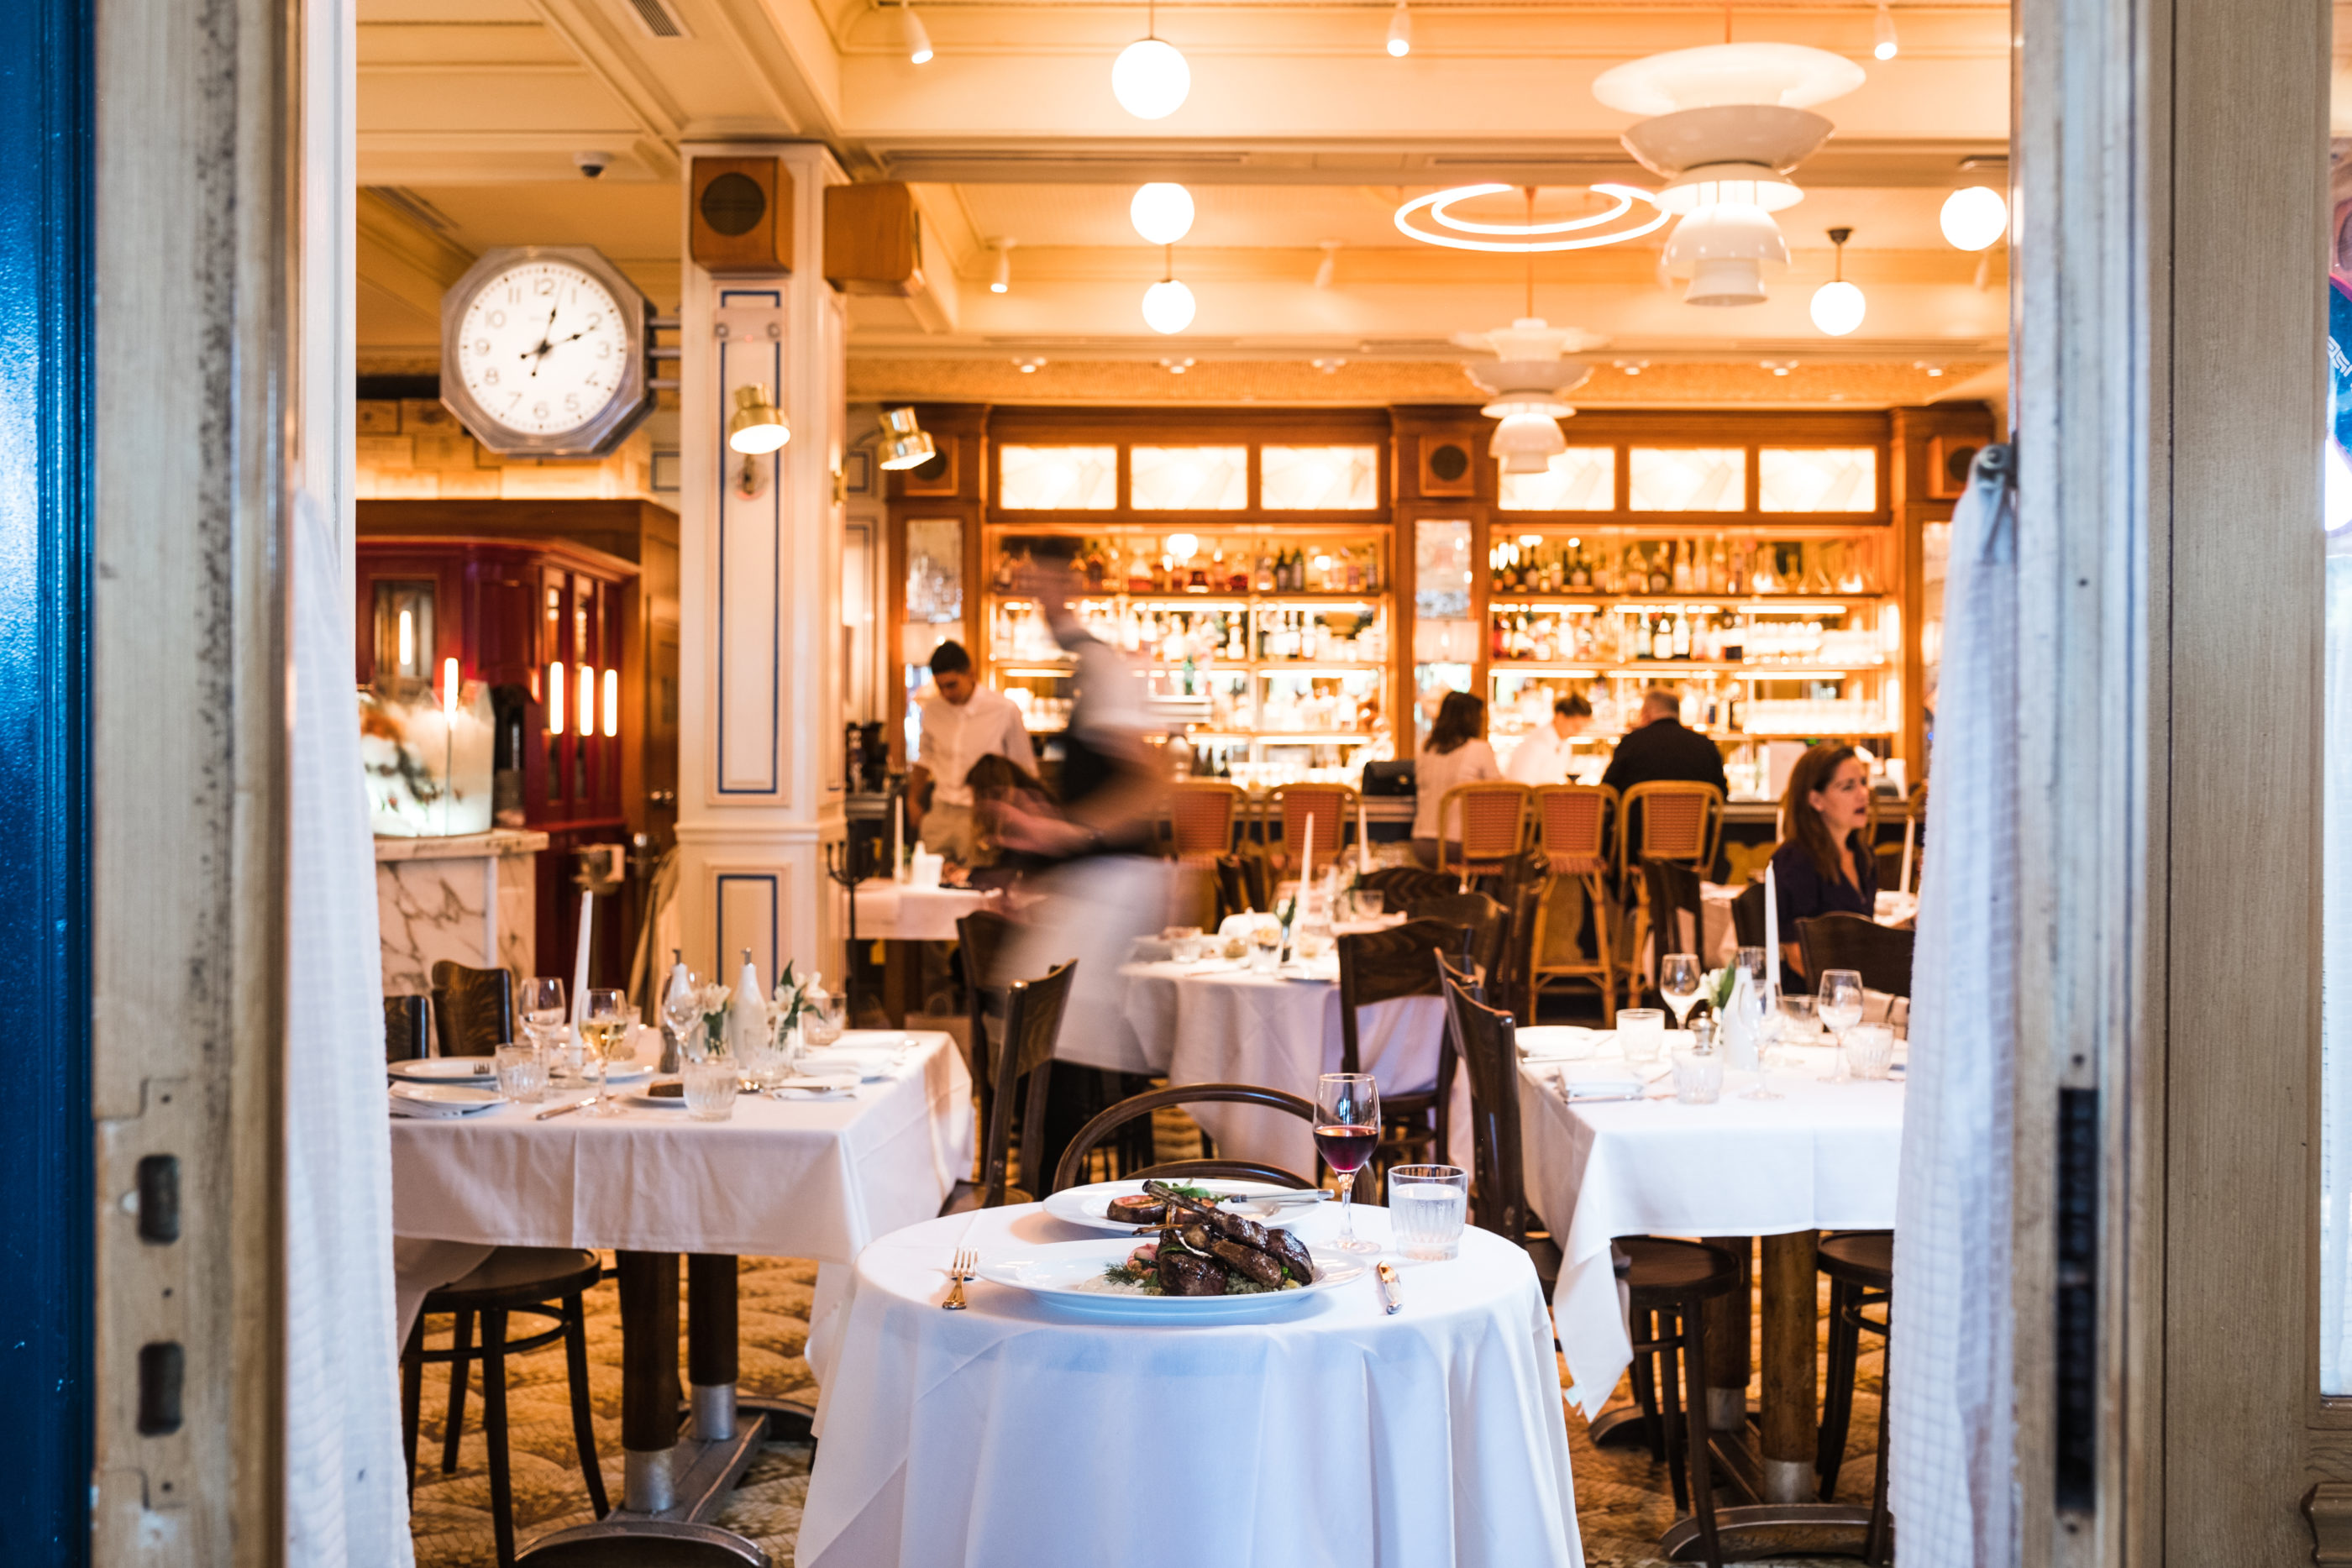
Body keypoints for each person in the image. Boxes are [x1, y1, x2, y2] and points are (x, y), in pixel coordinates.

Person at [906, 639, 1036, 867]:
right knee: (929, 882)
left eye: (952, 685)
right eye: (940, 686)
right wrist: (913, 800)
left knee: (976, 883)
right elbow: (924, 758)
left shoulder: (1004, 710)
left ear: (970, 674)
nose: (946, 693)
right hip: (940, 811)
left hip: (981, 815)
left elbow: (1024, 768)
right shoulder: (933, 710)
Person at [1769, 742, 1878, 993]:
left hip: (1856, 994)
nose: (1863, 794)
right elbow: (1798, 956)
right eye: (1848, 787)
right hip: (1810, 1003)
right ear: (1816, 799)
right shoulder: (1795, 862)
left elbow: (1866, 941)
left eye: (1862, 782)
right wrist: (1849, 1001)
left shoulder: (1864, 857)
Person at [1410, 690, 1502, 868]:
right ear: (1472, 719)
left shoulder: (1426, 749)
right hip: (1457, 844)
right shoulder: (1479, 749)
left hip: (1421, 843)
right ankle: (1485, 896)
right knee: (1513, 852)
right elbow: (1500, 795)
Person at [1599, 687, 1729, 798]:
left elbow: (1608, 790)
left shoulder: (1631, 743)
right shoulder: (1705, 745)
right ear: (1678, 713)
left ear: (1645, 713)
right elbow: (1722, 792)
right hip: (1695, 826)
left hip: (1640, 826)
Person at [1504, 690, 1593, 786]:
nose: (1577, 732)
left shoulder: (1564, 744)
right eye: (1575, 727)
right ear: (1560, 717)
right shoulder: (1536, 744)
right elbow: (1521, 788)